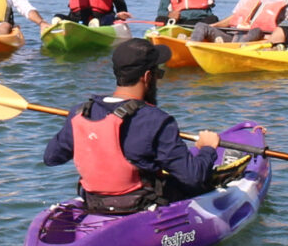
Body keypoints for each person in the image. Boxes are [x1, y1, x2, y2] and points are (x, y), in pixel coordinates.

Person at [40, 36, 241, 213]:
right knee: (201, 180)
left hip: (94, 203)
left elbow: (51, 158)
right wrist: (207, 148)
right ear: (147, 77)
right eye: (158, 74)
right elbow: (193, 177)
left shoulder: (80, 113)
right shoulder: (157, 120)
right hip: (140, 206)